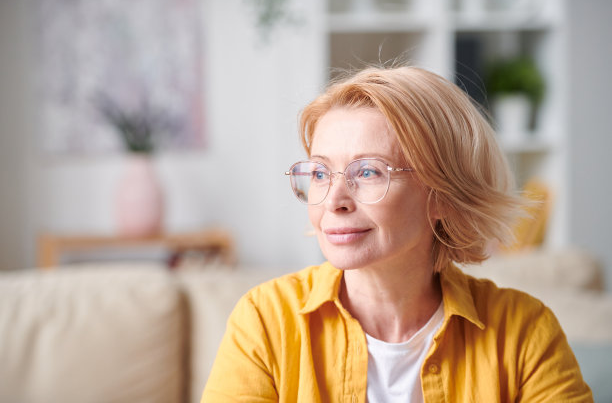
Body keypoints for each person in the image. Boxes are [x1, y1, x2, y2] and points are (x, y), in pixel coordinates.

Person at [202, 66, 592, 402]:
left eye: (368, 171)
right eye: (320, 173)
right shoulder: (266, 321)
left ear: (442, 196)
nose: (333, 201)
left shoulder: (524, 333)